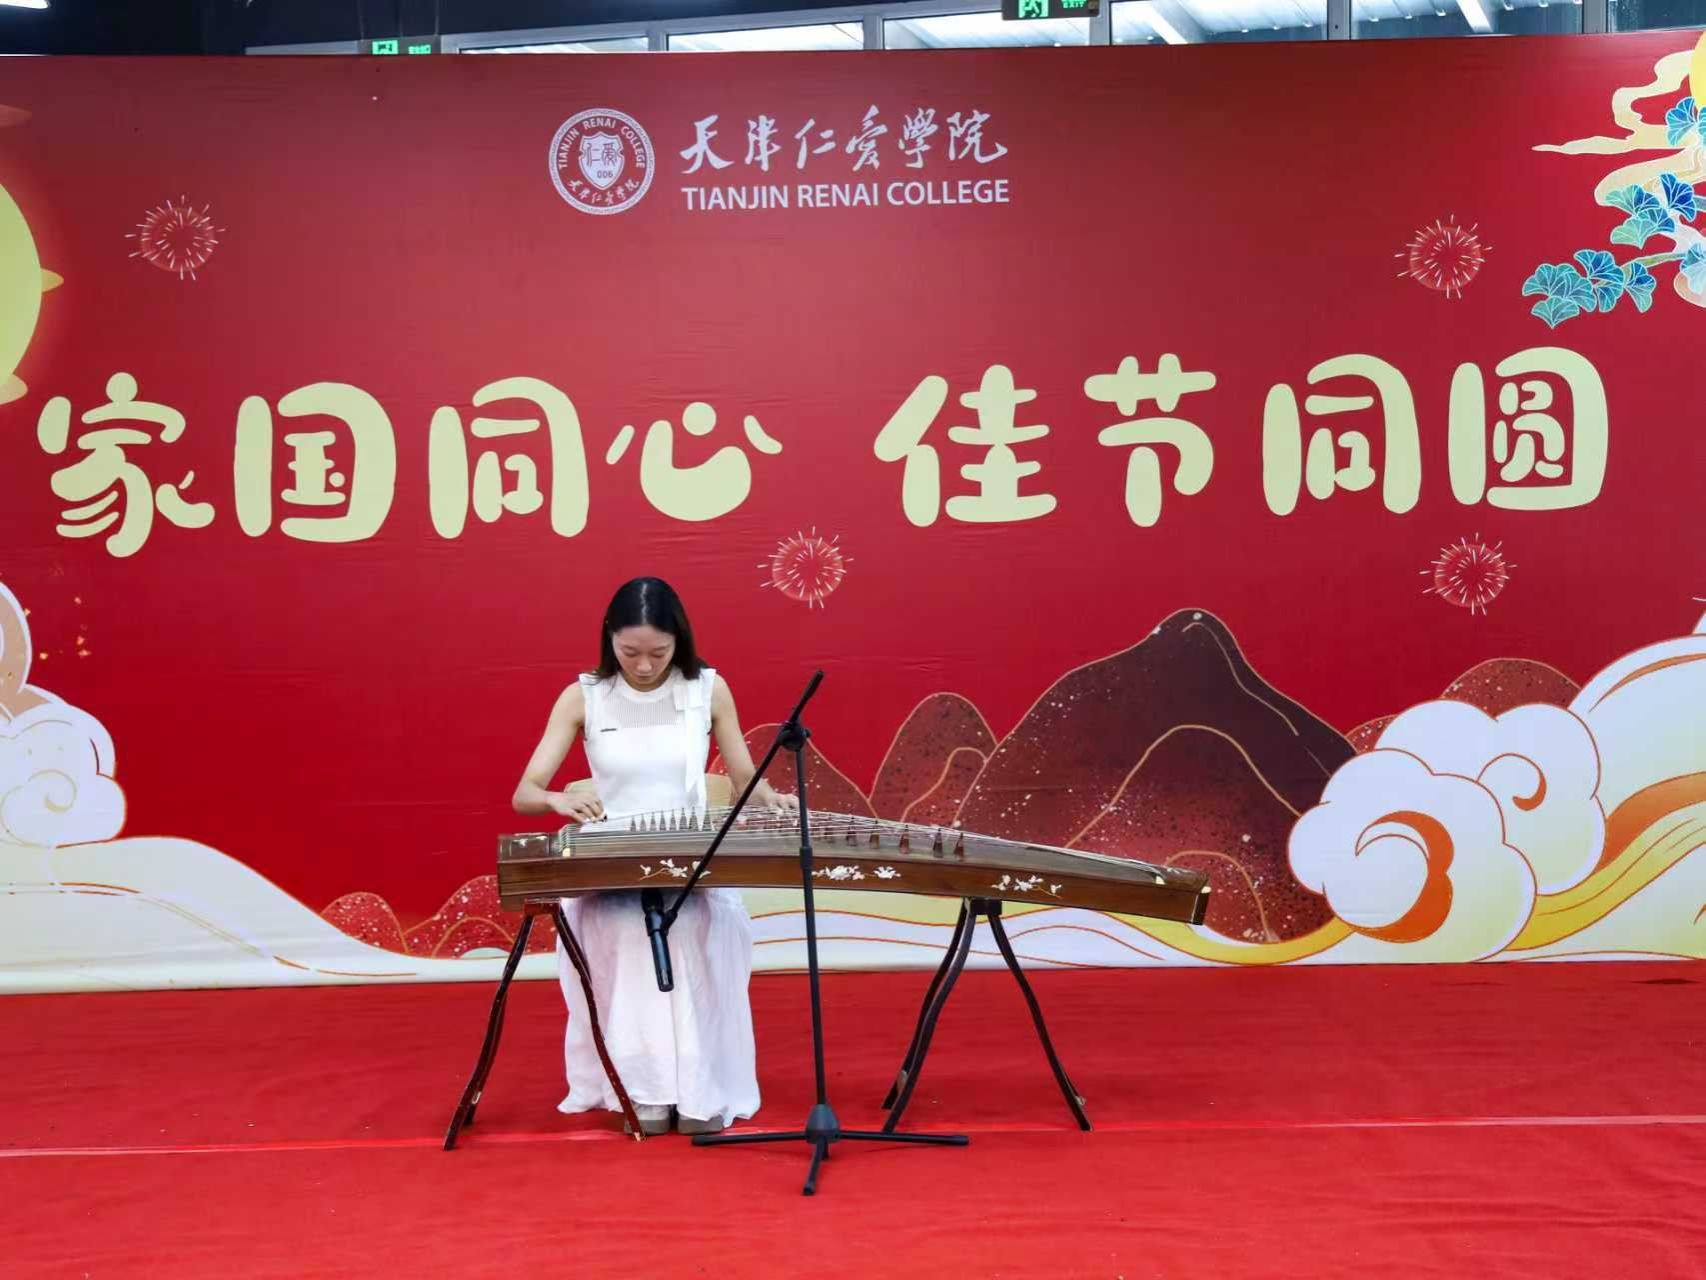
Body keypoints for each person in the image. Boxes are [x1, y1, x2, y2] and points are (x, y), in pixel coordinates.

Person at [512, 576, 797, 1136]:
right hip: (611, 866)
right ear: (609, 640)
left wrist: (772, 798)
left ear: (679, 640)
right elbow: (525, 793)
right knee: (626, 930)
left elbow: (744, 777)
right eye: (629, 652)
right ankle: (642, 1089)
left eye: (658, 653)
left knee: (689, 926)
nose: (643, 666)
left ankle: (696, 1089)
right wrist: (557, 798)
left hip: (688, 861)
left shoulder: (707, 690)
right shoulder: (584, 696)